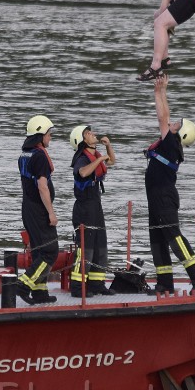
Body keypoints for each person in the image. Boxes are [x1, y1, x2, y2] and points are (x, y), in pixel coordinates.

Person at [144, 75, 195, 294]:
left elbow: (163, 116)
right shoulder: (170, 143)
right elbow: (165, 119)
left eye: (177, 125)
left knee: (172, 234)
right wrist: (159, 92)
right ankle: (164, 282)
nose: (173, 123)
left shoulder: (171, 144)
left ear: (179, 133)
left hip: (163, 196)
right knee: (158, 237)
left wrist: (160, 92)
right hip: (155, 196)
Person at [68, 125, 117, 297]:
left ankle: (97, 283)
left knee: (100, 245)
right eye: (88, 133)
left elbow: (111, 161)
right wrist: (98, 160)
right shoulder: (82, 158)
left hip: (96, 205)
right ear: (82, 140)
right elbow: (82, 173)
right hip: (84, 207)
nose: (93, 134)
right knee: (86, 248)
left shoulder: (95, 154)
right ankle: (77, 287)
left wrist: (108, 146)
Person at [16, 115, 59, 304]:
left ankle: (40, 292)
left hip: (27, 207)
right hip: (39, 209)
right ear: (40, 135)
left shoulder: (25, 154)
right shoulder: (40, 156)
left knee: (39, 252)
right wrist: (51, 212)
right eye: (49, 134)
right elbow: (42, 186)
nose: (50, 138)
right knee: (50, 252)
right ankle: (24, 285)